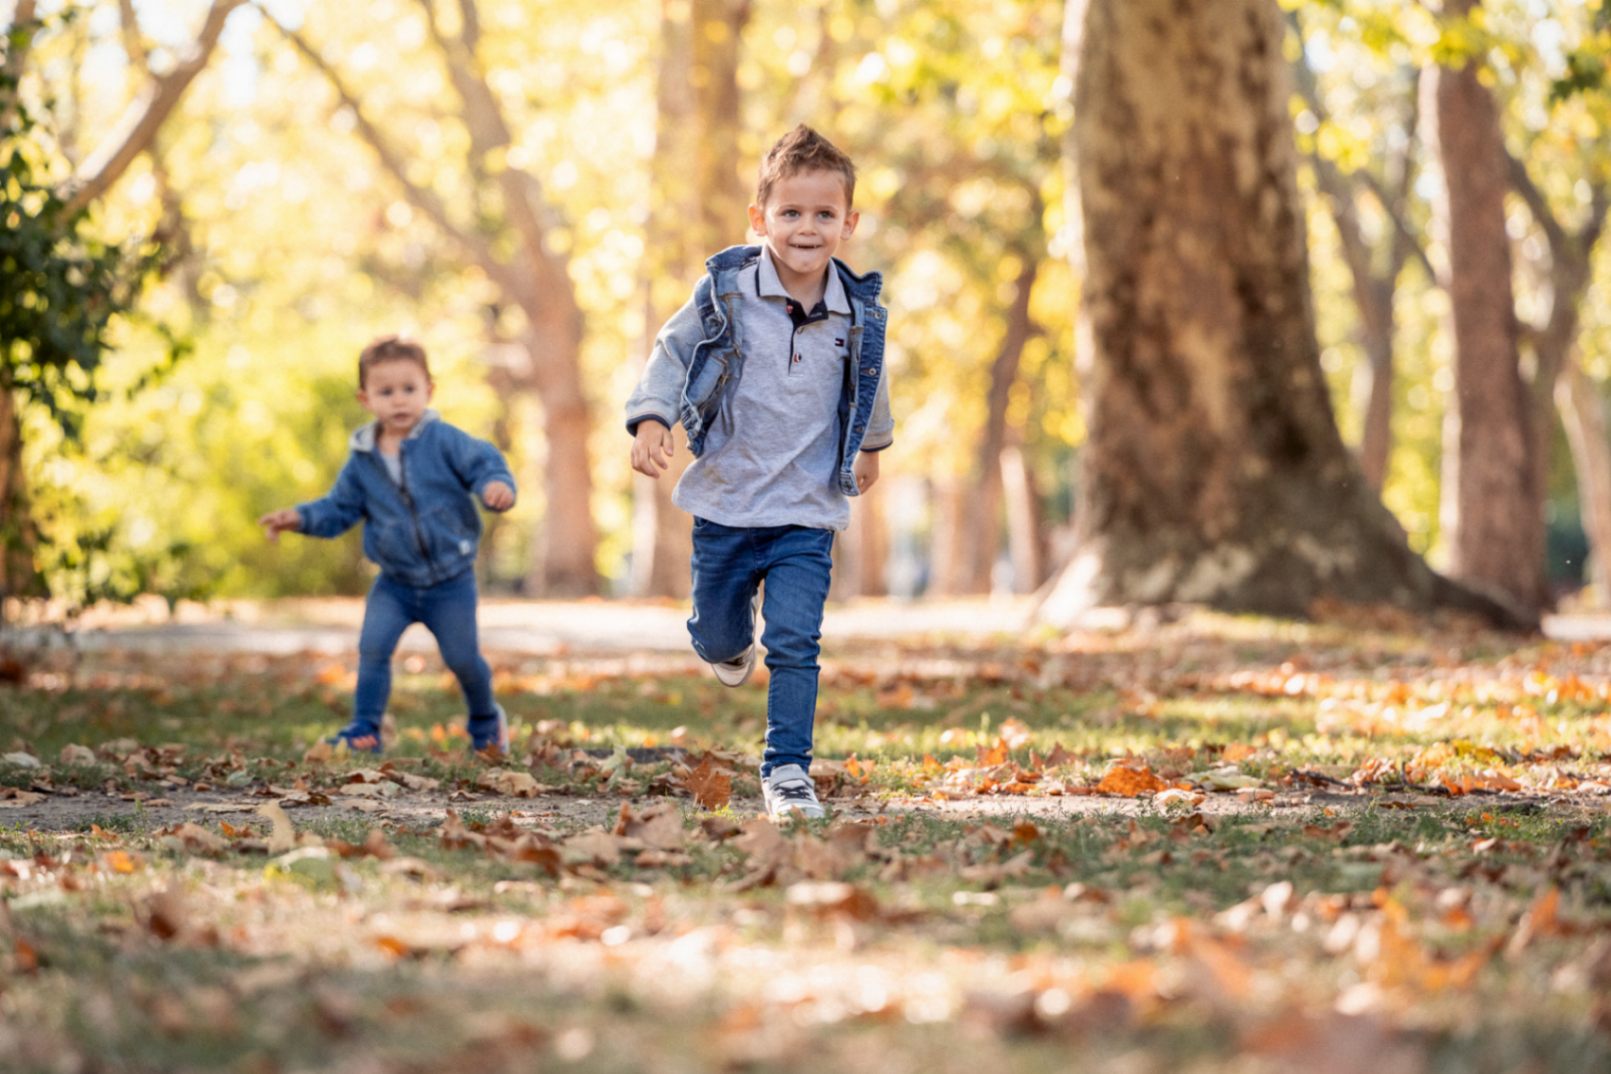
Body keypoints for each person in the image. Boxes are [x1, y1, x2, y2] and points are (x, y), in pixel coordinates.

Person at [625, 125, 893, 820]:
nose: (808, 228)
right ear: (759, 218)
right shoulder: (727, 292)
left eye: (824, 214)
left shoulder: (857, 310)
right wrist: (653, 418)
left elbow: (871, 382)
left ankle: (787, 771)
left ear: (848, 222)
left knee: (797, 641)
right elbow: (672, 351)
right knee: (717, 636)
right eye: (791, 213)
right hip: (726, 501)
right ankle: (725, 638)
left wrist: (870, 446)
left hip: (807, 508)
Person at [259, 335, 517, 755]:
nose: (399, 400)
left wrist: (496, 486)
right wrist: (301, 518)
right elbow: (339, 508)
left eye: (409, 389)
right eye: (386, 391)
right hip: (395, 583)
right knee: (373, 649)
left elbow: (484, 463)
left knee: (463, 659)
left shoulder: (444, 441)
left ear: (428, 391)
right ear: (366, 399)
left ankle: (486, 722)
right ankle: (365, 729)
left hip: (451, 581)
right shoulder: (363, 459)